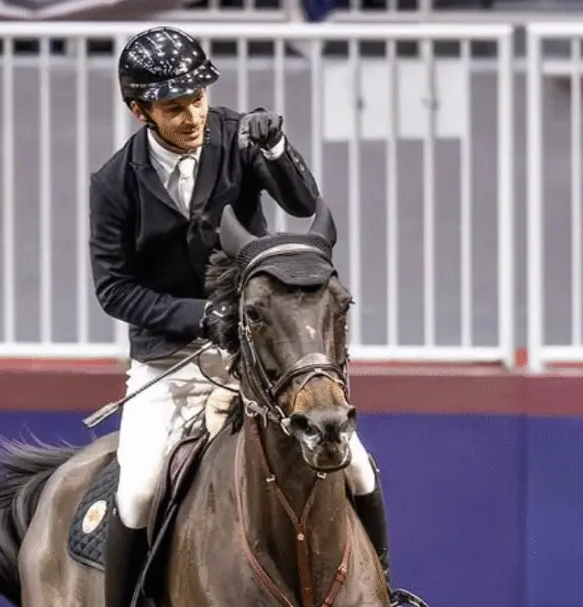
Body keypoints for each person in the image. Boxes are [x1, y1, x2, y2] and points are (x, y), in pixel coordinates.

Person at [89, 25, 395, 606]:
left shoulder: (237, 138)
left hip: (259, 348)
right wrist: (201, 316)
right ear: (140, 111)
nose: (193, 117)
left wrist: (276, 150)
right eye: (174, 109)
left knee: (356, 466)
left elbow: (302, 204)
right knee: (138, 490)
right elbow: (115, 290)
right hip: (171, 356)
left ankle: (385, 587)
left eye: (198, 100)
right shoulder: (113, 184)